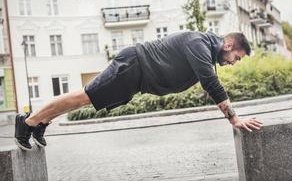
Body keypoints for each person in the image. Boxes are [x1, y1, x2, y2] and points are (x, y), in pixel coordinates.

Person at [15, 31, 263, 150]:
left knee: (86, 101)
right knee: (84, 96)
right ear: (228, 44)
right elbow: (211, 83)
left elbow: (208, 79)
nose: (233, 62)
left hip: (136, 77)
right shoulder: (199, 43)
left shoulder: (206, 51)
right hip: (133, 66)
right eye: (236, 57)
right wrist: (234, 119)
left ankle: (41, 121)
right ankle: (28, 121)